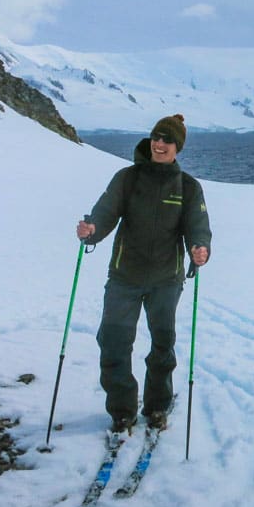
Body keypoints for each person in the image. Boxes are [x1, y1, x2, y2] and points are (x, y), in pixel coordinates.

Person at [76, 114, 211, 433]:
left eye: (167, 140)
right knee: (113, 341)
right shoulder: (128, 178)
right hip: (125, 276)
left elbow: (197, 226)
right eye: (157, 138)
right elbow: (106, 210)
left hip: (166, 279)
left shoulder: (188, 187)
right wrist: (92, 229)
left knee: (162, 345)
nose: (160, 144)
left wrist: (200, 247)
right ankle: (122, 408)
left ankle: (157, 406)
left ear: (178, 147)